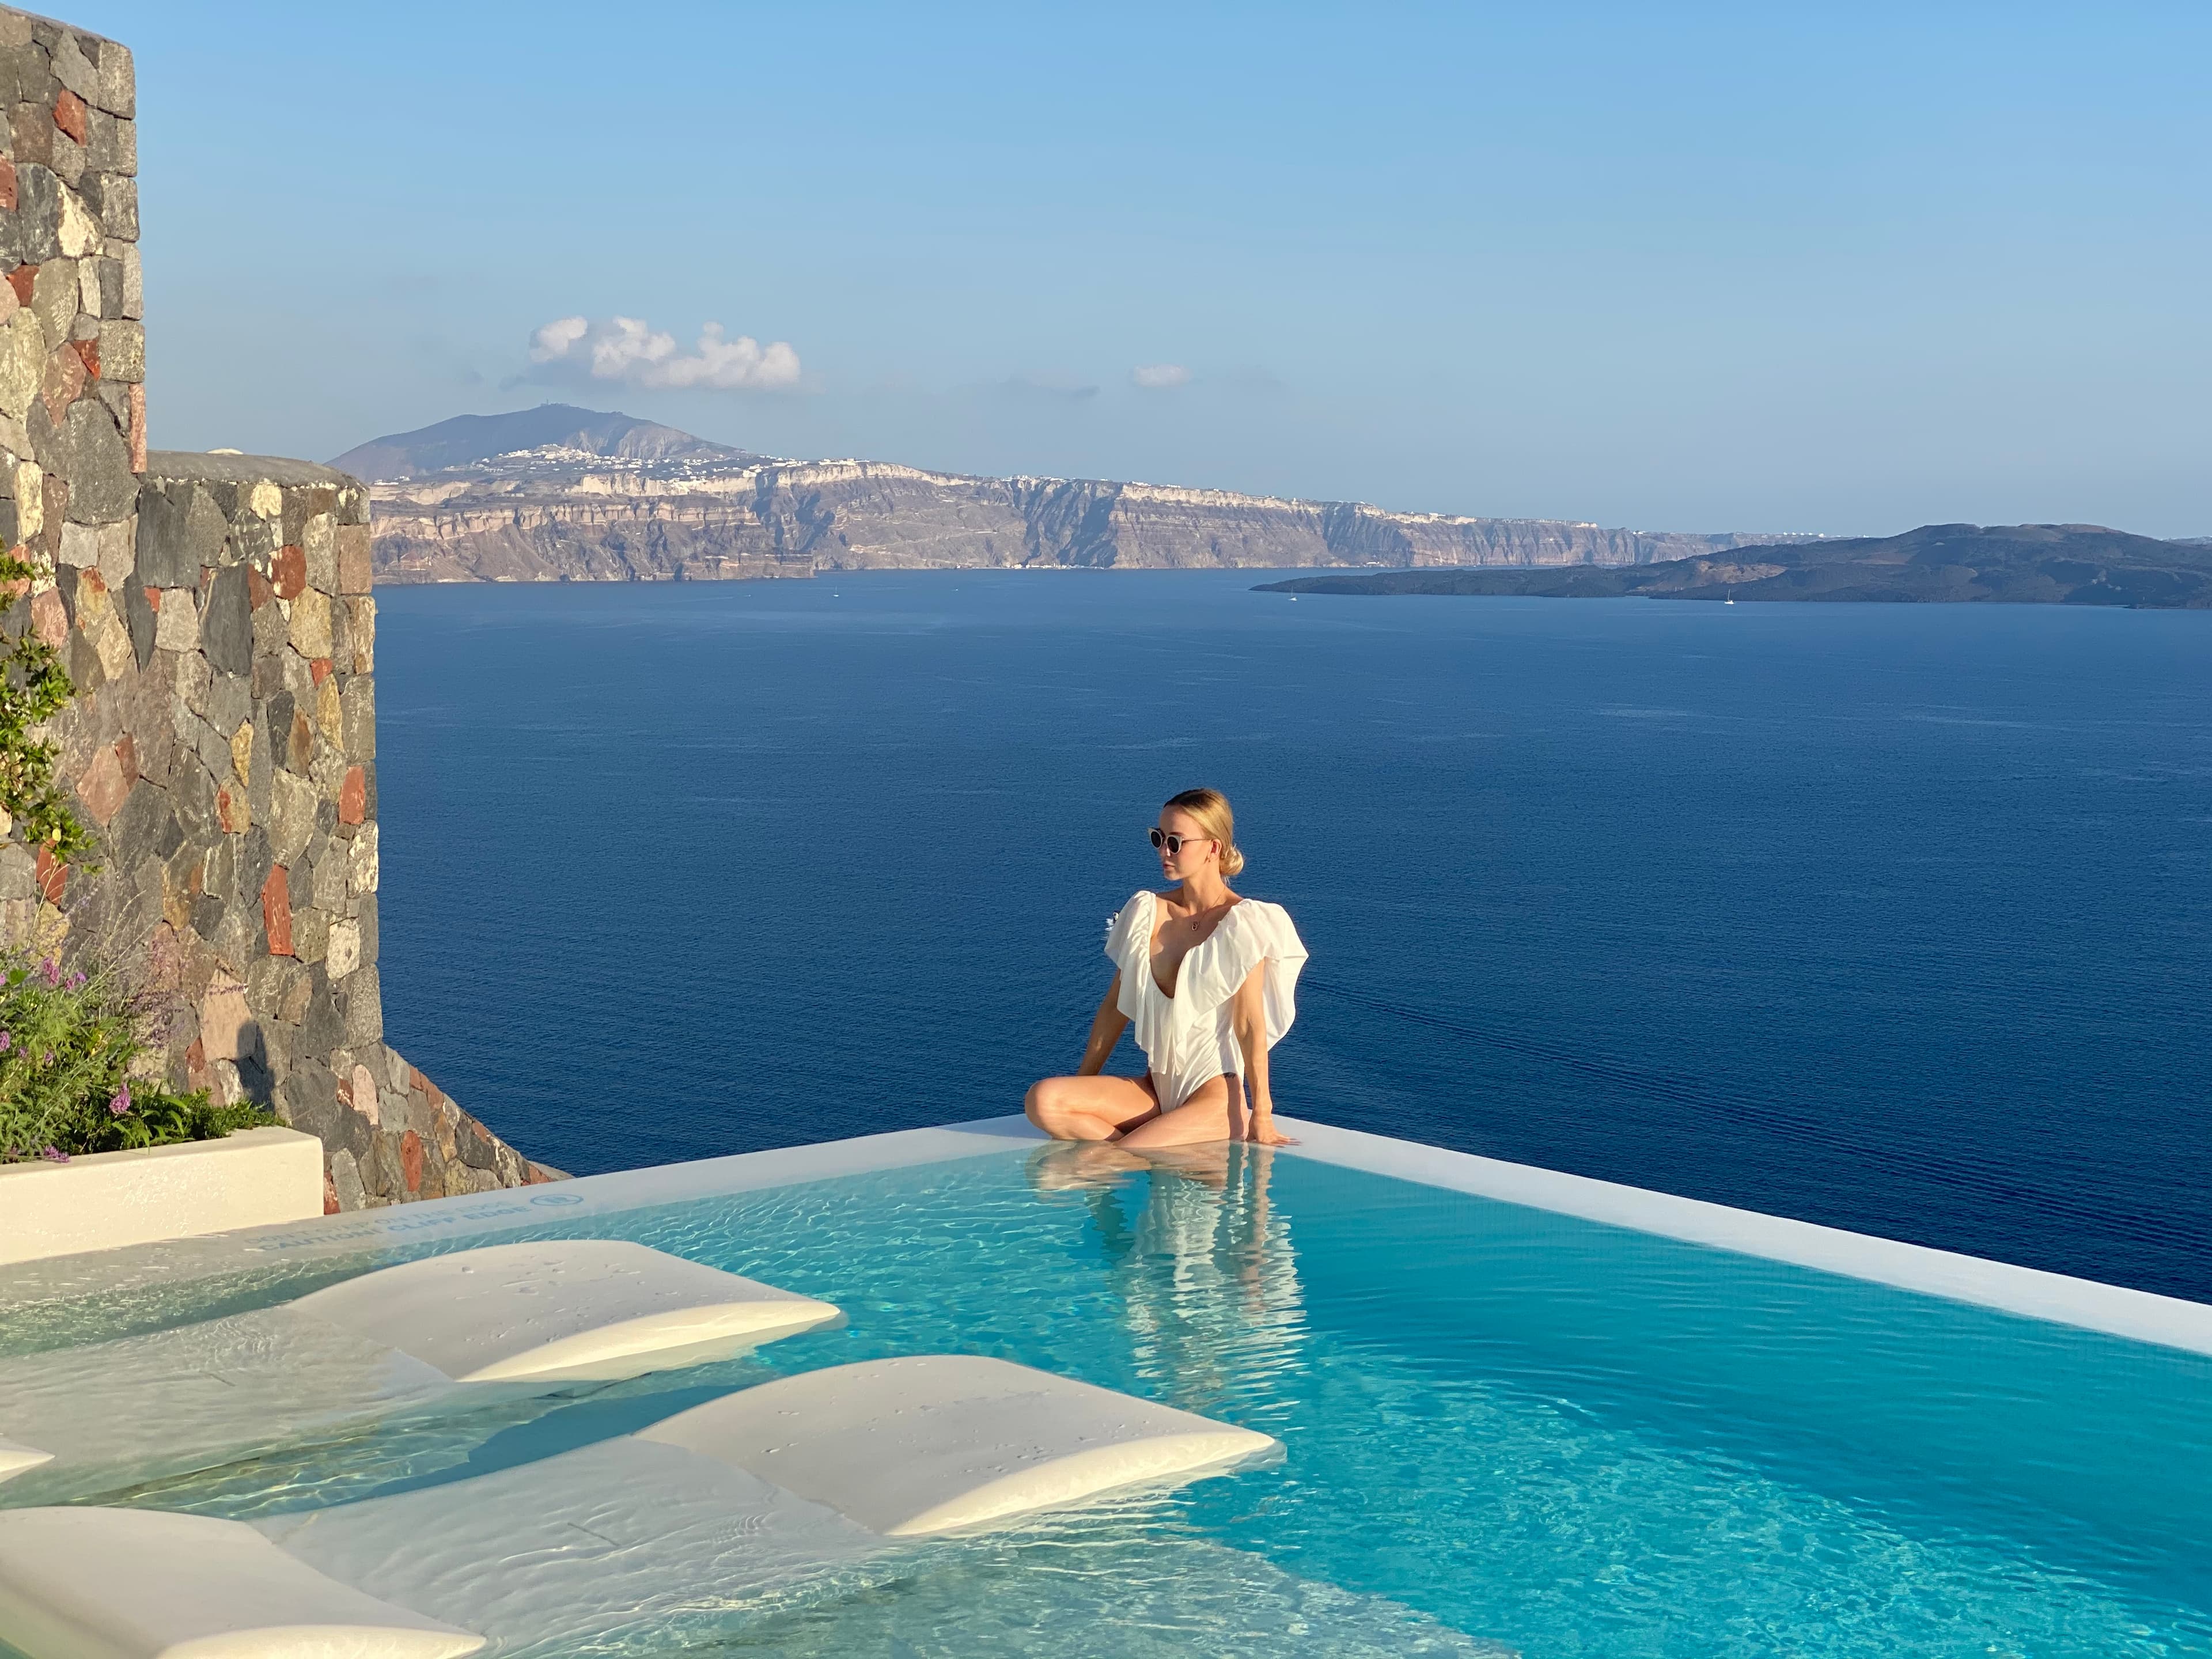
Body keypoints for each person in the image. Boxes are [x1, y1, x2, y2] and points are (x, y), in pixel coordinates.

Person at [1025, 788, 1308, 1148]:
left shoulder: (1244, 923)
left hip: (1214, 1096)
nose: (1163, 852)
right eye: (1158, 838)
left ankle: (1134, 1154)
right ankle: (1148, 1150)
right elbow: (1114, 1009)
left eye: (1176, 842)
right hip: (1155, 1088)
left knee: (1123, 1153)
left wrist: (1263, 1115)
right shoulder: (1147, 912)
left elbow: (1249, 1025)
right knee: (1043, 1101)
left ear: (1213, 847)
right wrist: (1084, 1084)